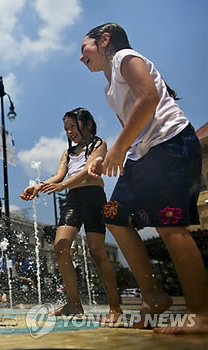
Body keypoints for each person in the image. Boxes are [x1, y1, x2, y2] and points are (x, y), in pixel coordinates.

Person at [81, 23, 207, 334]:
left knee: (168, 224)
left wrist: (120, 149)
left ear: (104, 41)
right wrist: (111, 156)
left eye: (84, 48)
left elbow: (149, 98)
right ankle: (153, 296)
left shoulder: (125, 57)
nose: (80, 57)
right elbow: (132, 125)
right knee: (112, 216)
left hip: (172, 144)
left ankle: (201, 313)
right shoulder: (110, 85)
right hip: (144, 154)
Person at [20, 107, 122, 321]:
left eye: (73, 127)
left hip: (93, 196)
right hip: (74, 199)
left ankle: (115, 307)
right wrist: (39, 186)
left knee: (96, 251)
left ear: (88, 124)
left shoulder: (98, 144)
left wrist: (64, 184)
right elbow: (58, 175)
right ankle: (74, 303)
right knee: (60, 245)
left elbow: (88, 170)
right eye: (66, 129)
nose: (69, 132)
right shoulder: (67, 152)